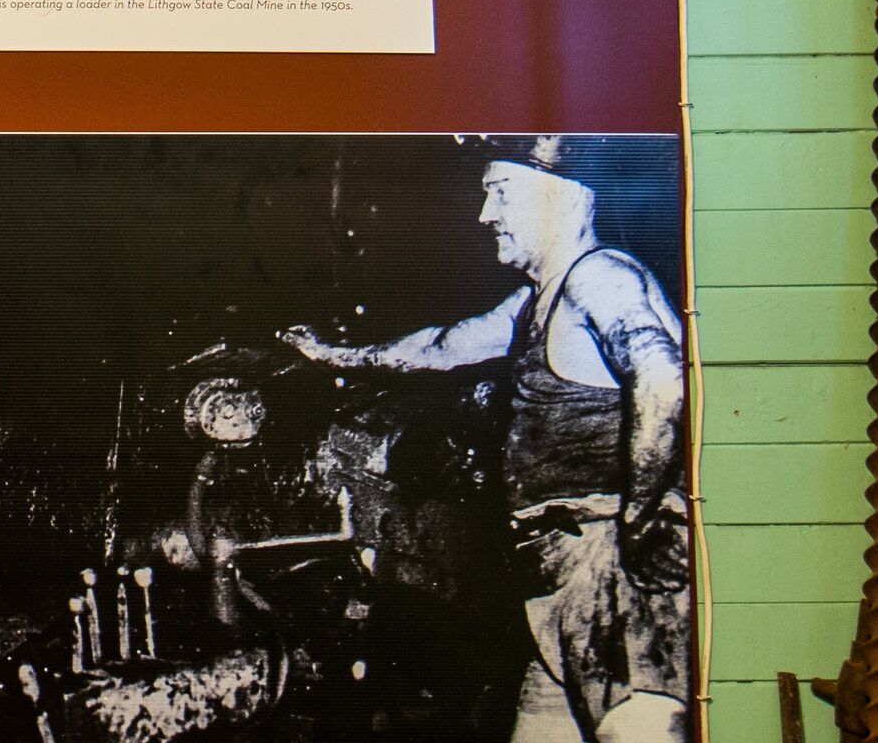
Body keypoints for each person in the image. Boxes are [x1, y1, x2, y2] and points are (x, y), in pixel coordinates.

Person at [277, 144, 689, 743]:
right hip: (557, 576)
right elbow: (439, 348)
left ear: (565, 196)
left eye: (500, 191)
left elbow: (664, 375)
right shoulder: (538, 299)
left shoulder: (599, 277)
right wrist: (331, 355)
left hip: (609, 562)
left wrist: (644, 511)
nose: (485, 214)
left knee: (640, 731)